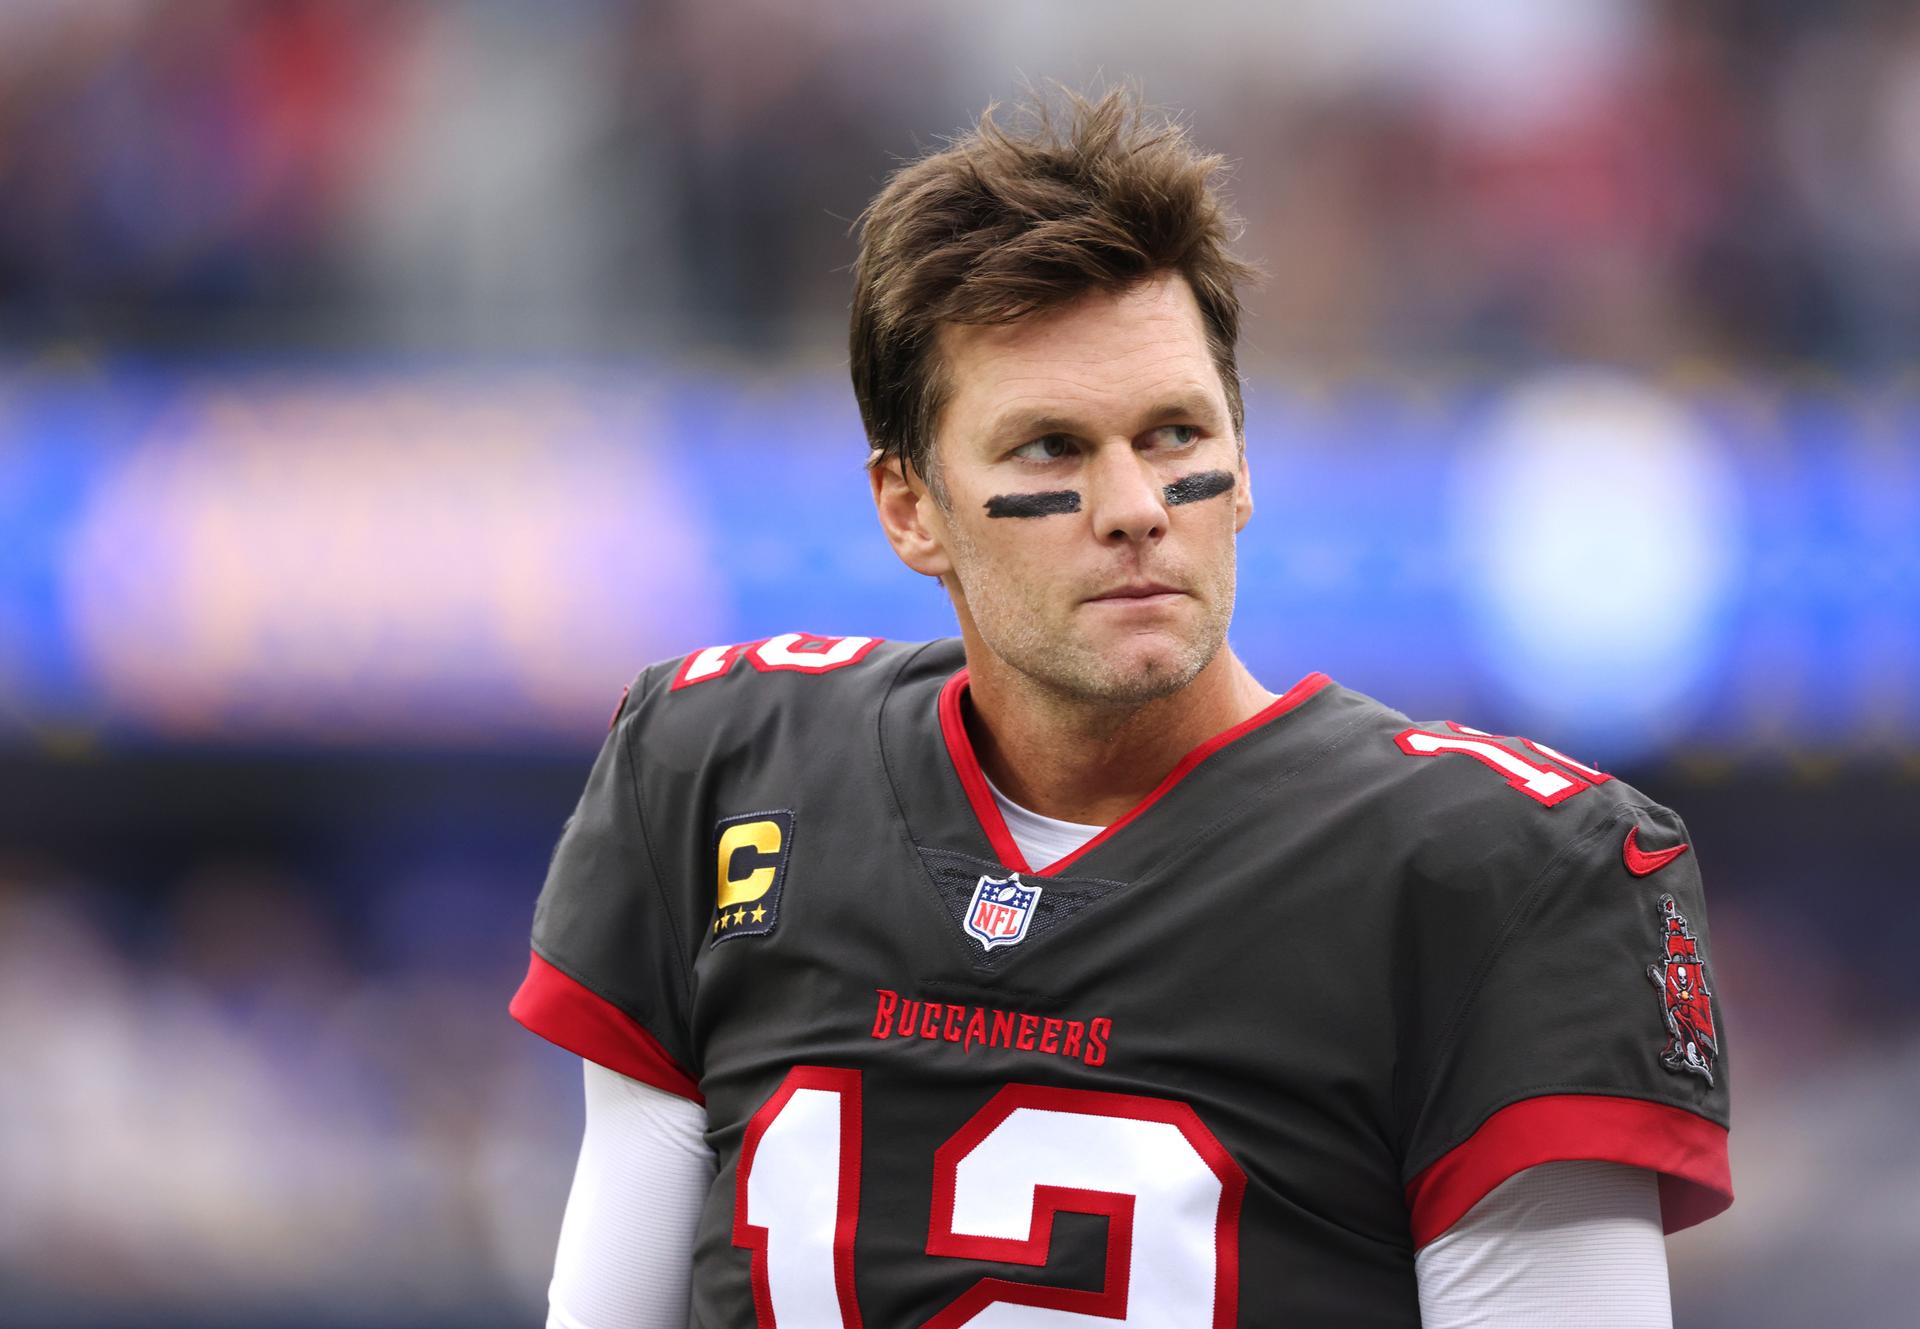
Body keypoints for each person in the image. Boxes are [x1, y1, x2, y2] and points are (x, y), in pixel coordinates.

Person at [510, 88, 1732, 1327]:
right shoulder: (723, 765)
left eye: (1174, 433)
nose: (1136, 502)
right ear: (909, 507)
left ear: (1242, 465)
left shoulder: (1498, 869)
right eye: (1050, 447)